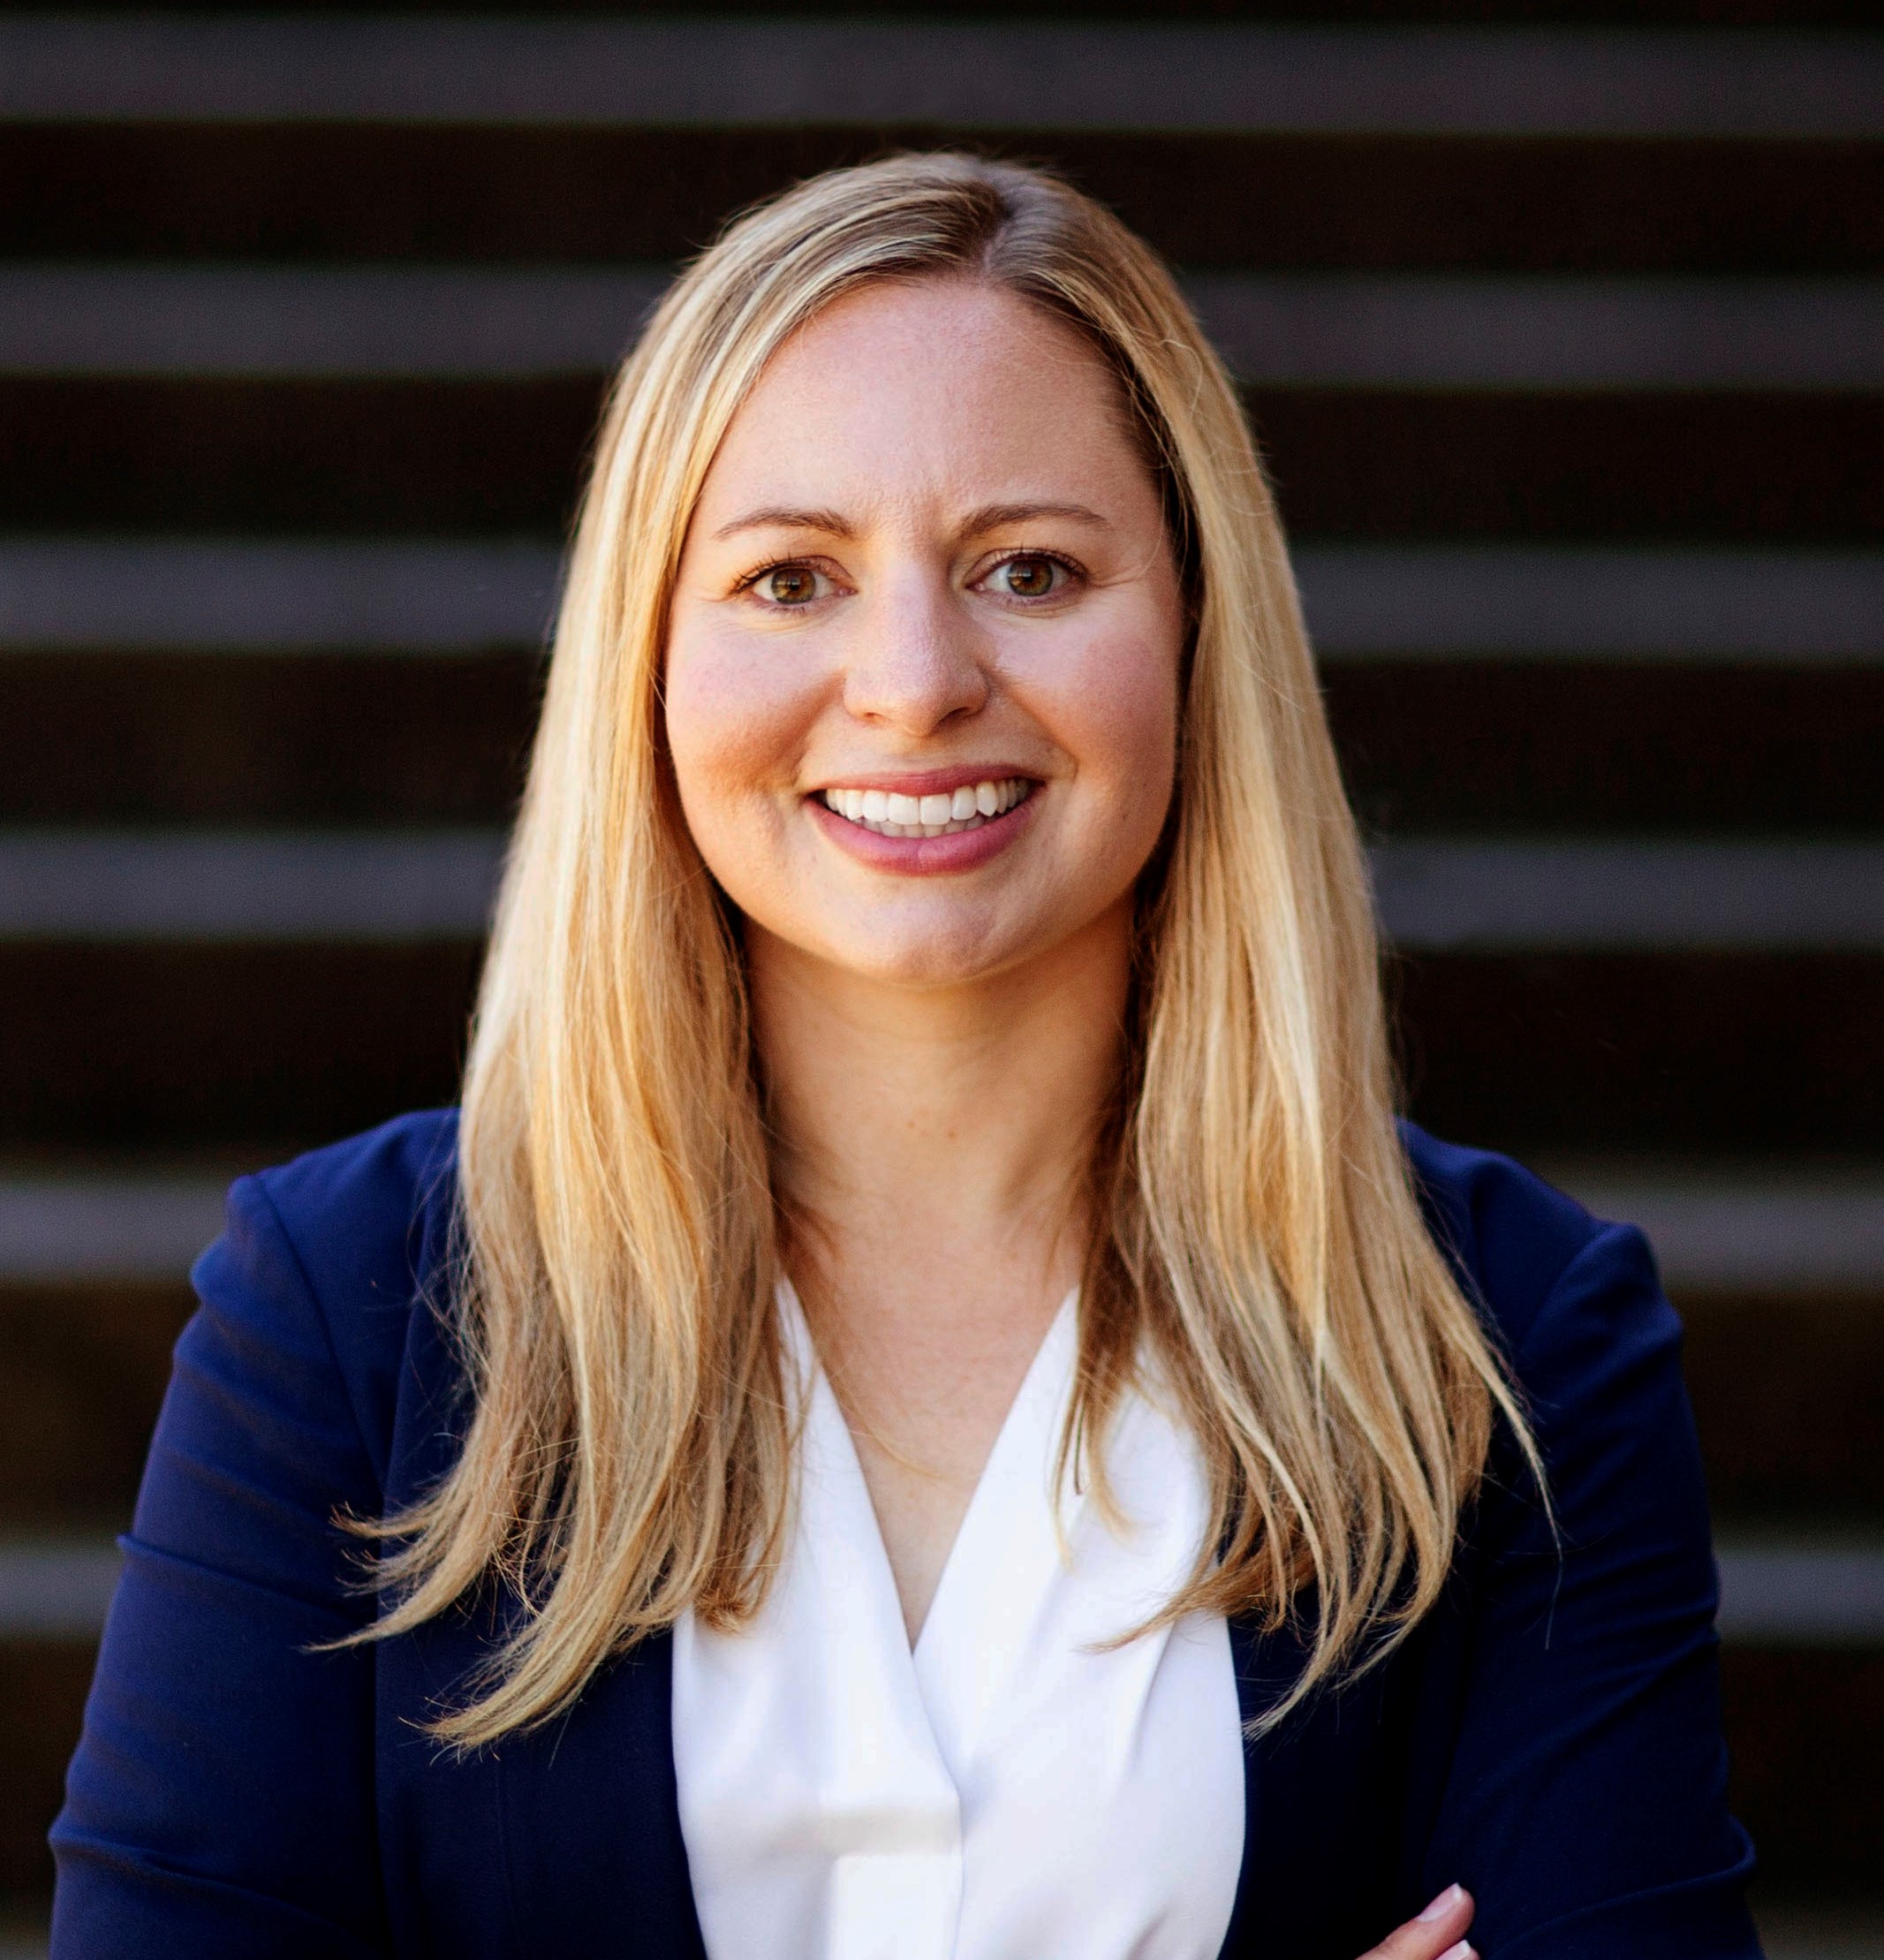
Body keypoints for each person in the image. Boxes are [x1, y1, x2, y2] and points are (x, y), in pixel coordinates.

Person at [50, 154, 1758, 1959]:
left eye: (1028, 567)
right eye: (790, 579)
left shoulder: (1509, 1348)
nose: (912, 678)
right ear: (646, 659)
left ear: (1191, 630)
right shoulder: (340, 1319)